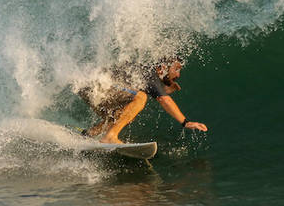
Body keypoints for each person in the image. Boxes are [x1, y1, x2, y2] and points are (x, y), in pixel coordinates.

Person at [77, 57, 208, 144]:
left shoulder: (144, 73)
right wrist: (186, 122)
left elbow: (160, 94)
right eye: (177, 69)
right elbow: (164, 100)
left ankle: (89, 134)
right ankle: (110, 137)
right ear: (162, 68)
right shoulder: (150, 73)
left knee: (125, 114)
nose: (178, 74)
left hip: (87, 86)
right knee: (141, 98)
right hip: (100, 85)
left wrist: (165, 88)